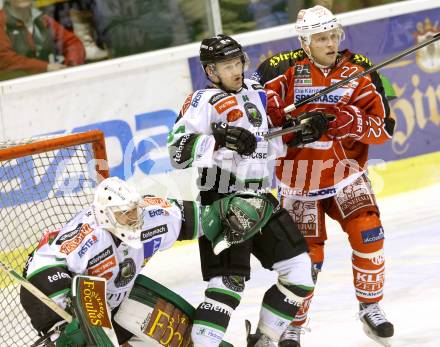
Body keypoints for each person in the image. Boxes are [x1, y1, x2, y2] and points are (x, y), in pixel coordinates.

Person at [253, 5, 395, 346]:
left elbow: (384, 129)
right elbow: (259, 119)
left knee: (369, 234)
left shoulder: (358, 69)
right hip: (299, 180)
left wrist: (350, 122)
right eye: (321, 38)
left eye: (334, 35)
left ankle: (370, 307)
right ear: (305, 41)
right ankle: (293, 325)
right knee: (306, 259)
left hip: (346, 173)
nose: (331, 43)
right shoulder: (279, 69)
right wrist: (292, 129)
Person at [168, 34, 318, 347]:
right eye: (226, 65)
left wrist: (302, 129)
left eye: (238, 62)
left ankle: (264, 339)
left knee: (300, 271)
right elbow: (176, 151)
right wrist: (220, 140)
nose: (235, 69)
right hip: (224, 199)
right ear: (211, 72)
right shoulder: (201, 102)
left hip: (263, 198)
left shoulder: (256, 93)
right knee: (227, 285)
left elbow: (273, 138)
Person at [20, 176, 271, 346]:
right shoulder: (89, 236)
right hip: (75, 301)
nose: (133, 218)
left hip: (118, 298)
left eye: (134, 210)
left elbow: (208, 217)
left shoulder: (153, 216)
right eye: (124, 214)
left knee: (178, 335)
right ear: (105, 216)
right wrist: (65, 325)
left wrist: (235, 209)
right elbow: (42, 271)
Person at [0, 0, 85, 80]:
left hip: (48, 80)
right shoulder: (2, 21)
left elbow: (72, 43)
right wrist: (46, 67)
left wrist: (70, 67)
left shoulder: (42, 18)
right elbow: (5, 59)